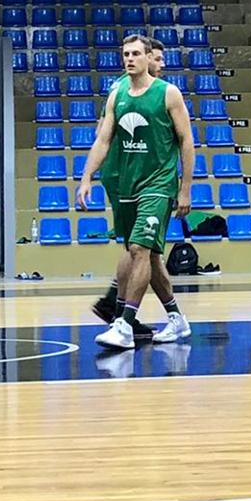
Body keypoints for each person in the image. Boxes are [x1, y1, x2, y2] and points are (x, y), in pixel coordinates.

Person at [80, 34, 194, 350]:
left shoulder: (168, 94)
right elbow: (102, 139)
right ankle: (176, 319)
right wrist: (87, 175)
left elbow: (187, 141)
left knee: (140, 249)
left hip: (158, 184)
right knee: (148, 255)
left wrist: (185, 188)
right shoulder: (118, 94)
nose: (130, 58)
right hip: (125, 181)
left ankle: (124, 324)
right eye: (125, 53)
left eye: (136, 54)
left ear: (146, 56)